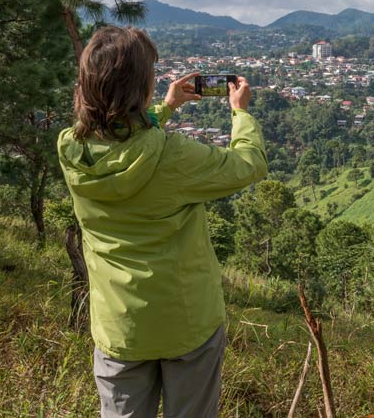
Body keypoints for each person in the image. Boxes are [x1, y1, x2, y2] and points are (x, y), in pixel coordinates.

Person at [57, 26, 268, 417]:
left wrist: (166, 108)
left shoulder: (71, 149)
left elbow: (121, 140)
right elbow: (248, 165)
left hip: (120, 325)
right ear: (142, 86)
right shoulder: (173, 156)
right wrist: (241, 113)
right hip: (185, 322)